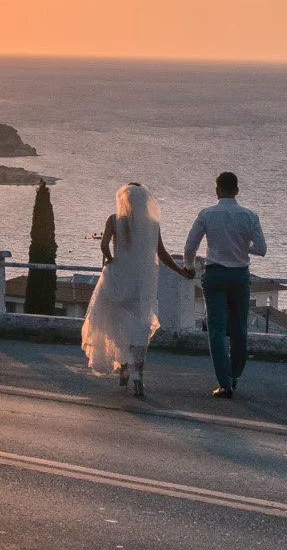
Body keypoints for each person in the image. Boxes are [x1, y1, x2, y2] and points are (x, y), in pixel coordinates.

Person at [81, 183, 193, 397]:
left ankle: (123, 369)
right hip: (141, 282)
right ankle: (138, 376)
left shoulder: (114, 220)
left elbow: (104, 246)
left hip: (119, 279)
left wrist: (112, 260)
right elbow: (161, 253)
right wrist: (180, 271)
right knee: (139, 327)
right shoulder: (151, 224)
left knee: (118, 325)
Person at [183, 170, 268, 399]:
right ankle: (235, 374)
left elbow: (190, 246)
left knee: (216, 330)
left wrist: (190, 267)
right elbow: (261, 249)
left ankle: (224, 383)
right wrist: (242, 246)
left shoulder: (207, 214)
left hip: (215, 275)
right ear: (237, 191)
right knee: (240, 328)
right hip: (240, 276)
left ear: (217, 189)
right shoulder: (250, 216)